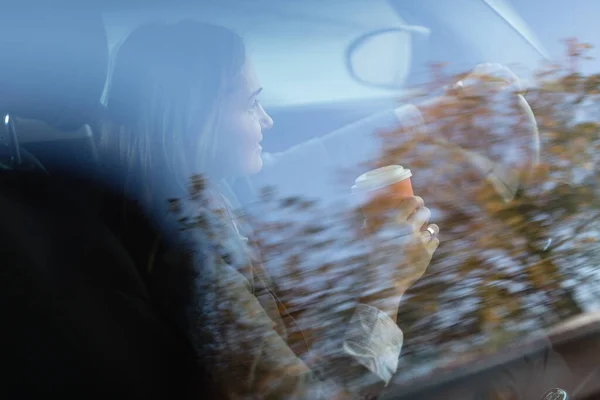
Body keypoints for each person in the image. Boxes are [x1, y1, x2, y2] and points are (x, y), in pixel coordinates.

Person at [99, 20, 439, 399]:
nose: (268, 119)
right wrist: (386, 288)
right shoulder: (197, 265)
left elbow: (297, 164)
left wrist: (426, 116)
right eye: (249, 104)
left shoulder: (198, 190)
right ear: (194, 120)